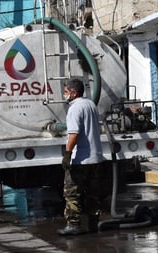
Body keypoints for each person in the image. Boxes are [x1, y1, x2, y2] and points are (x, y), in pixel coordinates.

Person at [57, 78, 106, 236]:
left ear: (74, 93)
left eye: (66, 92)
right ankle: (93, 223)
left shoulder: (74, 108)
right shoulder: (90, 104)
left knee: (72, 192)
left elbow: (74, 134)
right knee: (93, 192)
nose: (64, 95)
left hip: (81, 159)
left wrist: (67, 154)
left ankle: (73, 225)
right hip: (96, 158)